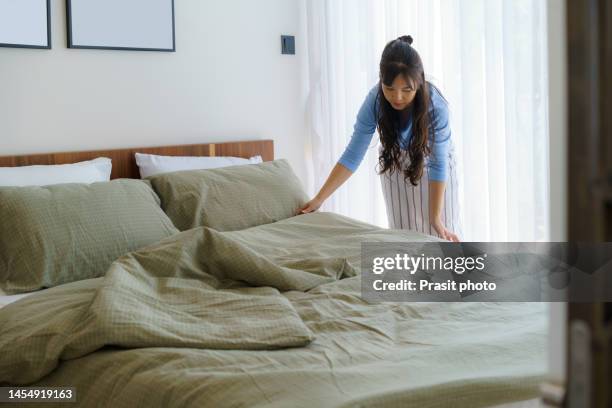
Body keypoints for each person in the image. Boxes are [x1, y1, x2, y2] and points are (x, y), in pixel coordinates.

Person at [297, 35, 462, 242]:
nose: (397, 97)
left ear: (419, 83)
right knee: (405, 243)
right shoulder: (375, 100)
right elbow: (353, 155)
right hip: (396, 164)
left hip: (436, 174)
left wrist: (436, 219)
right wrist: (319, 199)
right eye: (389, 88)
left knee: (443, 243)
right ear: (381, 80)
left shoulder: (436, 106)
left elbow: (439, 164)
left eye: (406, 90)